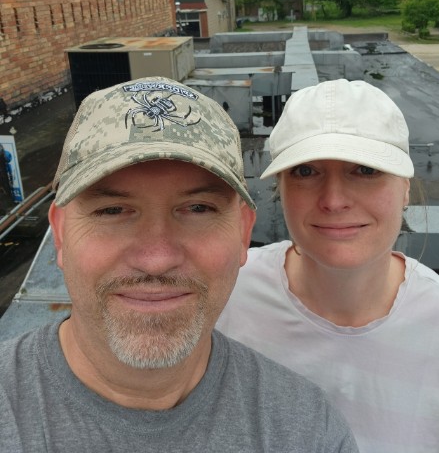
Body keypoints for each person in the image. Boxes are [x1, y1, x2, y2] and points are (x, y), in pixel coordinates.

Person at [0, 77, 358, 453]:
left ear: (242, 234)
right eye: (112, 210)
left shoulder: (306, 429)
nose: (156, 258)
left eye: (198, 209)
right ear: (59, 235)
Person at [217, 78, 439, 453]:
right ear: (281, 190)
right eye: (306, 172)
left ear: (405, 188)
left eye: (365, 170)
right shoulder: (224, 294)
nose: (334, 200)